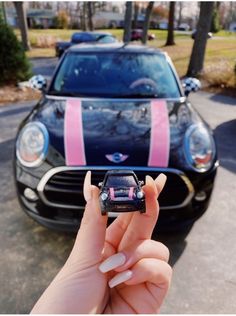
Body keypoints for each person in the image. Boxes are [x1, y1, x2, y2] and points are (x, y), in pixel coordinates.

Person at [31, 172, 172, 314]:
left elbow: (142, 201)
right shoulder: (105, 190)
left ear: (138, 183)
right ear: (101, 185)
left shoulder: (135, 189)